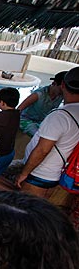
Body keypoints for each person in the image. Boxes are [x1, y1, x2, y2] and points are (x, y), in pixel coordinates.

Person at [16, 67, 79, 198]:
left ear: (62, 85)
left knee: (24, 208)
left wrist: (24, 173)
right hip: (56, 172)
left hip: (40, 172)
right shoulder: (72, 111)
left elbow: (42, 150)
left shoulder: (60, 116)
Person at [17, 71, 65, 136]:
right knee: (36, 133)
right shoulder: (38, 94)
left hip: (41, 122)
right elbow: (19, 109)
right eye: (60, 90)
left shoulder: (61, 96)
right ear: (54, 84)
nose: (62, 92)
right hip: (26, 120)